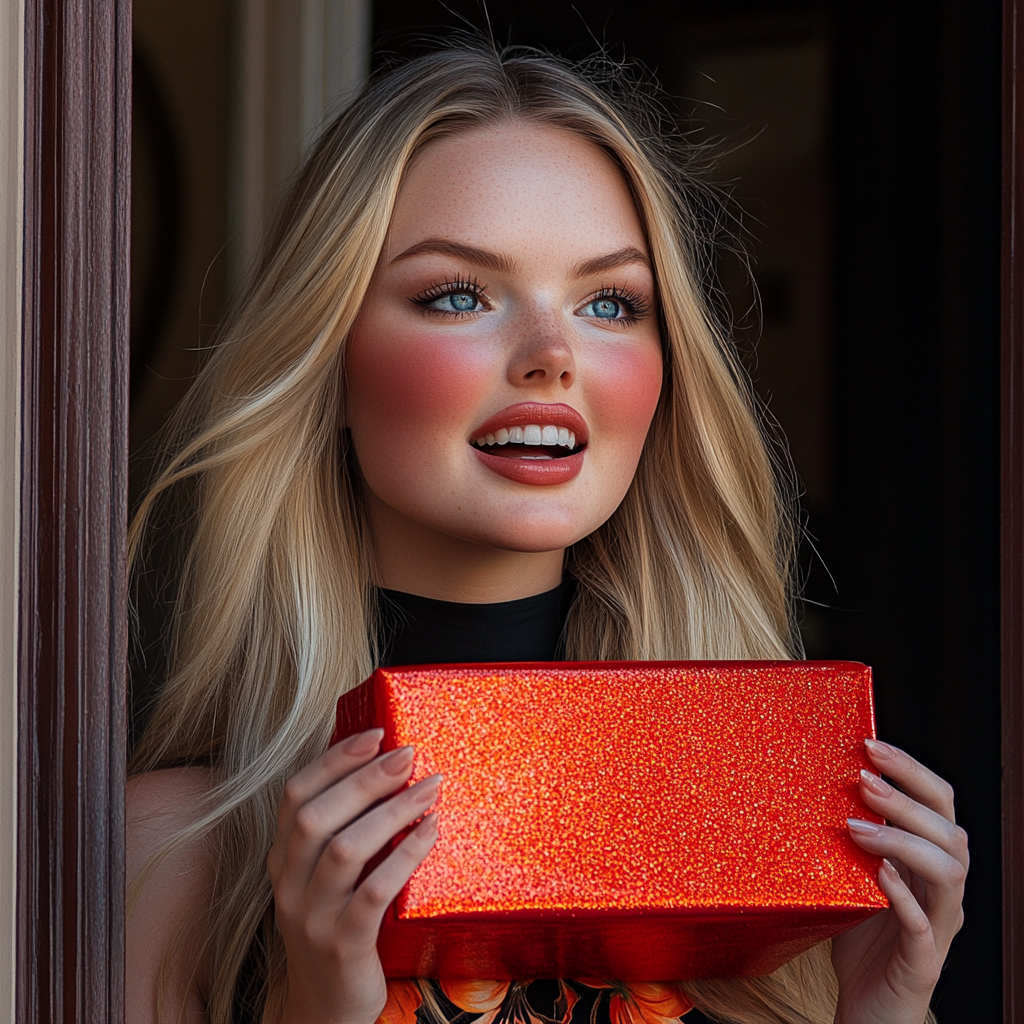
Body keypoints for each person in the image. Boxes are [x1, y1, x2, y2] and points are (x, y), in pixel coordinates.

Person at [125, 41, 968, 1024]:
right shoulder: (172, 857)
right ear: (331, 362)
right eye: (458, 294)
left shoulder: (778, 832)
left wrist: (886, 1010)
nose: (552, 356)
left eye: (610, 301)